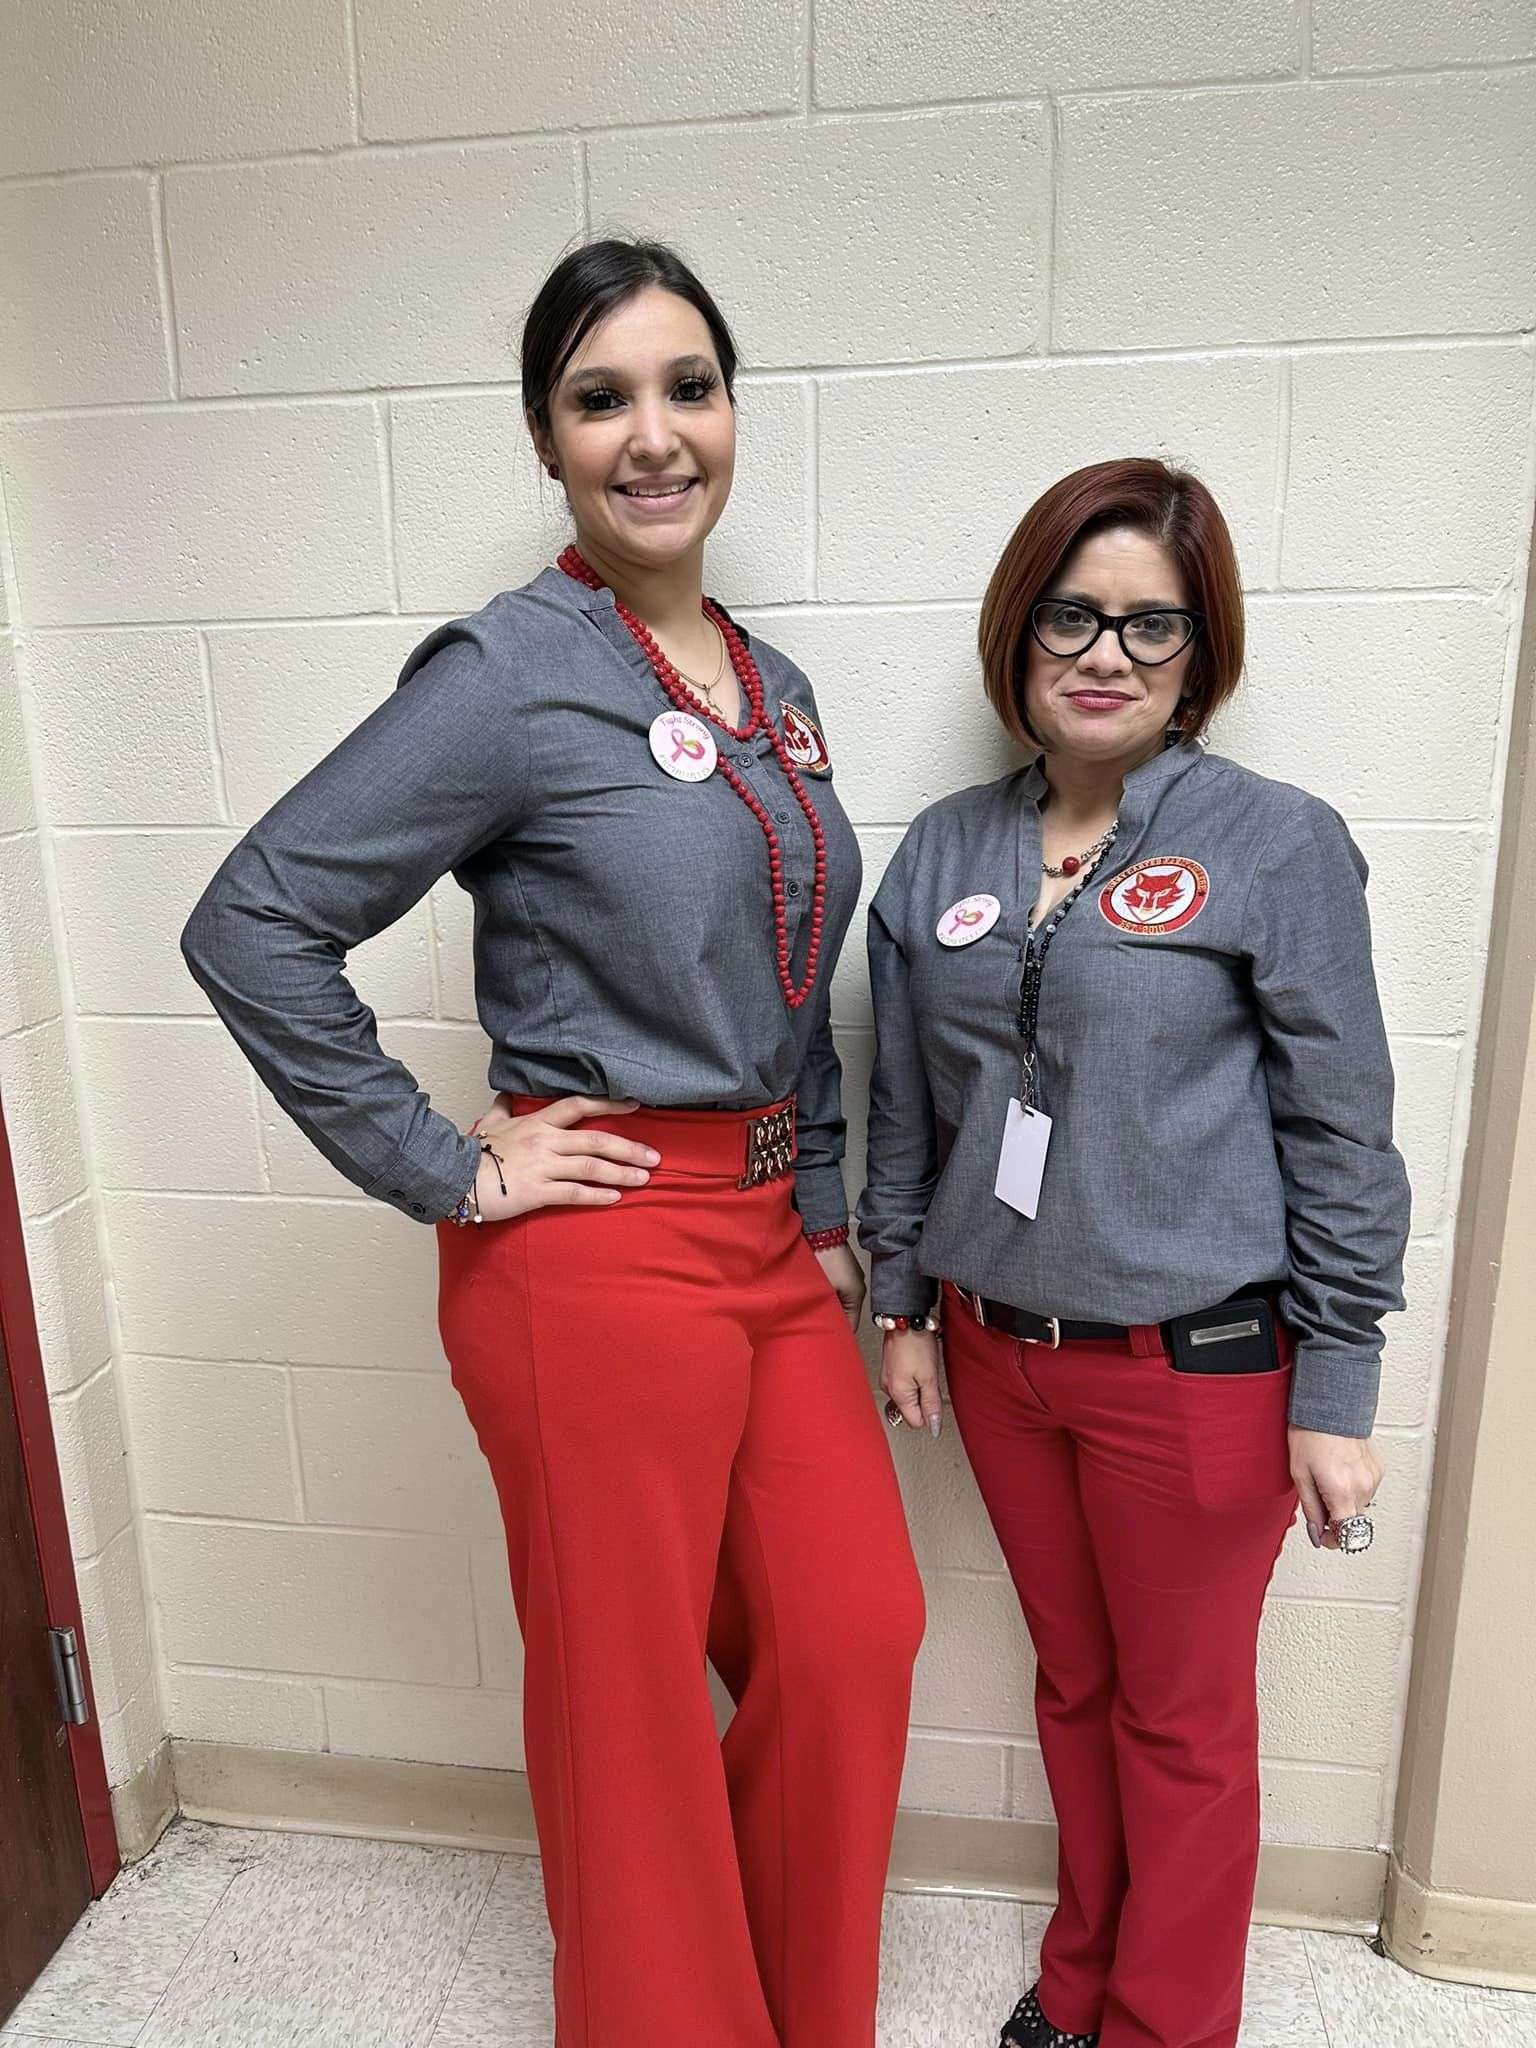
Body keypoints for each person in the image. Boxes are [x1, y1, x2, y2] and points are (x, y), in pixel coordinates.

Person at [181, 238, 924, 2048]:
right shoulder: (511, 672)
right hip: (596, 1255)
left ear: (733, 412)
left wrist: (823, 1202)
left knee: (852, 1633)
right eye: (604, 399)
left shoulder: (776, 686)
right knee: (629, 1712)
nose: (654, 434)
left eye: (689, 388)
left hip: (766, 1239)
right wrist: (451, 1166)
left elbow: (794, 977)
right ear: (547, 440)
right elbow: (254, 921)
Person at [857, 458, 1410, 2048]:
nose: (1106, 654)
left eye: (1151, 625)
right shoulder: (944, 852)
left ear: (1199, 653)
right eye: (1072, 617)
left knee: (1179, 1722)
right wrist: (902, 1297)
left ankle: (1169, 2026)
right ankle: (1084, 1976)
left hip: (1200, 1373)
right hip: (999, 1357)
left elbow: (1342, 1131)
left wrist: (1339, 1386)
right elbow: (907, 1100)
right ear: (1017, 634)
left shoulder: (1276, 844)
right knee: (1076, 1689)